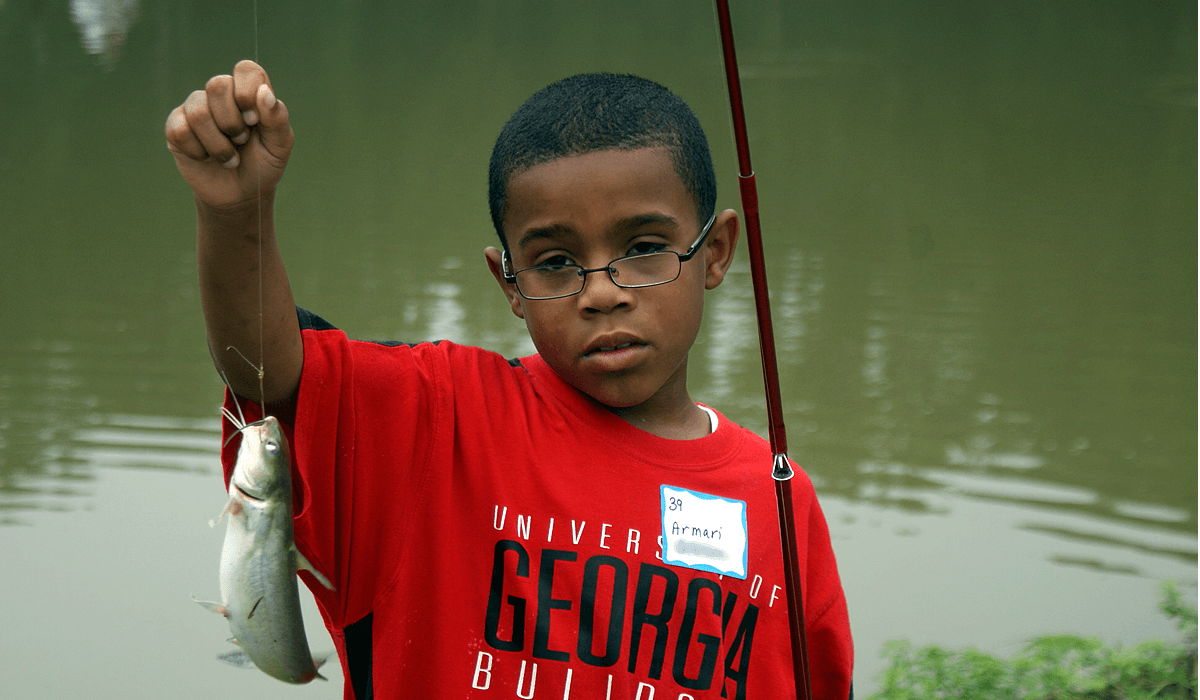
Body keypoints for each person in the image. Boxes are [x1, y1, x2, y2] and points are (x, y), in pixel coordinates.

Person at [166, 60, 853, 700]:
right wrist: (234, 215)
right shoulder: (439, 417)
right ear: (510, 284)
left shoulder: (780, 504)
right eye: (555, 261)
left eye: (644, 249)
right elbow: (267, 366)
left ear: (717, 252)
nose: (602, 292)